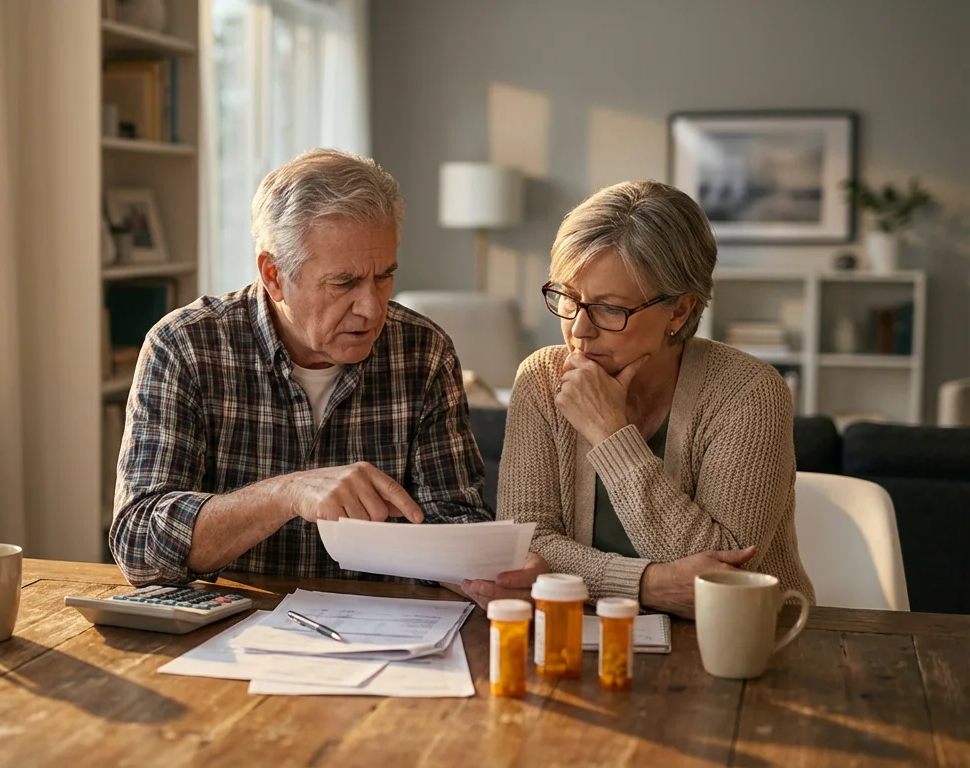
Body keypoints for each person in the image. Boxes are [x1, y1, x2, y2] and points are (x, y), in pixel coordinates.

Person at [110, 148, 491, 586]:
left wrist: (485, 567)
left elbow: (455, 519)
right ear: (273, 276)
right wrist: (285, 494)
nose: (371, 308)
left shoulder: (423, 352)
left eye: (384, 275)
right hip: (233, 637)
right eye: (344, 282)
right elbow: (139, 545)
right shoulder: (186, 346)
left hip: (385, 635)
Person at [462, 180, 813, 616]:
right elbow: (527, 545)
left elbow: (723, 579)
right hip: (584, 636)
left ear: (680, 310)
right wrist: (647, 585)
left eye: (611, 309)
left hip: (747, 644)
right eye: (568, 298)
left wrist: (610, 433)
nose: (579, 330)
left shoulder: (749, 392)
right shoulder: (542, 378)